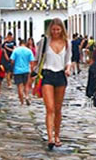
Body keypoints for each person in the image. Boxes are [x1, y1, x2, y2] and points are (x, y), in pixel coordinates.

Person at [37, 19, 72, 150]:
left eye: (58, 30)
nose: (56, 32)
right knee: (50, 108)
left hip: (61, 76)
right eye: (53, 30)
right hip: (47, 75)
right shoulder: (44, 42)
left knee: (58, 109)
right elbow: (37, 59)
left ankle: (57, 135)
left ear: (62, 30)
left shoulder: (67, 43)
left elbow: (68, 59)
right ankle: (50, 136)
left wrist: (68, 68)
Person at [9, 38, 35, 105]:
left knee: (19, 86)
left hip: (17, 70)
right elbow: (32, 62)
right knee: (26, 85)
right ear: (26, 44)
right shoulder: (29, 51)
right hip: (26, 70)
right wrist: (32, 70)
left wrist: (13, 66)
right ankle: (26, 96)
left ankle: (21, 101)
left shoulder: (16, 51)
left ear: (19, 44)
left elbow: (12, 60)